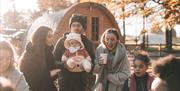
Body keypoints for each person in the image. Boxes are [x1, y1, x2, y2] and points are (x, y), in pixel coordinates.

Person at [53, 14, 95, 91]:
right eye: (73, 25)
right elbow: (54, 61)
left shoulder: (87, 43)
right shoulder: (62, 41)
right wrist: (66, 65)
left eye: (78, 25)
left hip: (81, 83)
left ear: (82, 27)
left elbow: (93, 61)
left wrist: (86, 65)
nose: (76, 28)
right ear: (70, 27)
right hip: (65, 82)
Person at [19, 27, 57, 91]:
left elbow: (51, 71)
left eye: (52, 36)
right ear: (41, 37)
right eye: (49, 36)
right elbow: (30, 78)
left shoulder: (48, 52)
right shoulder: (31, 54)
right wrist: (49, 74)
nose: (52, 39)